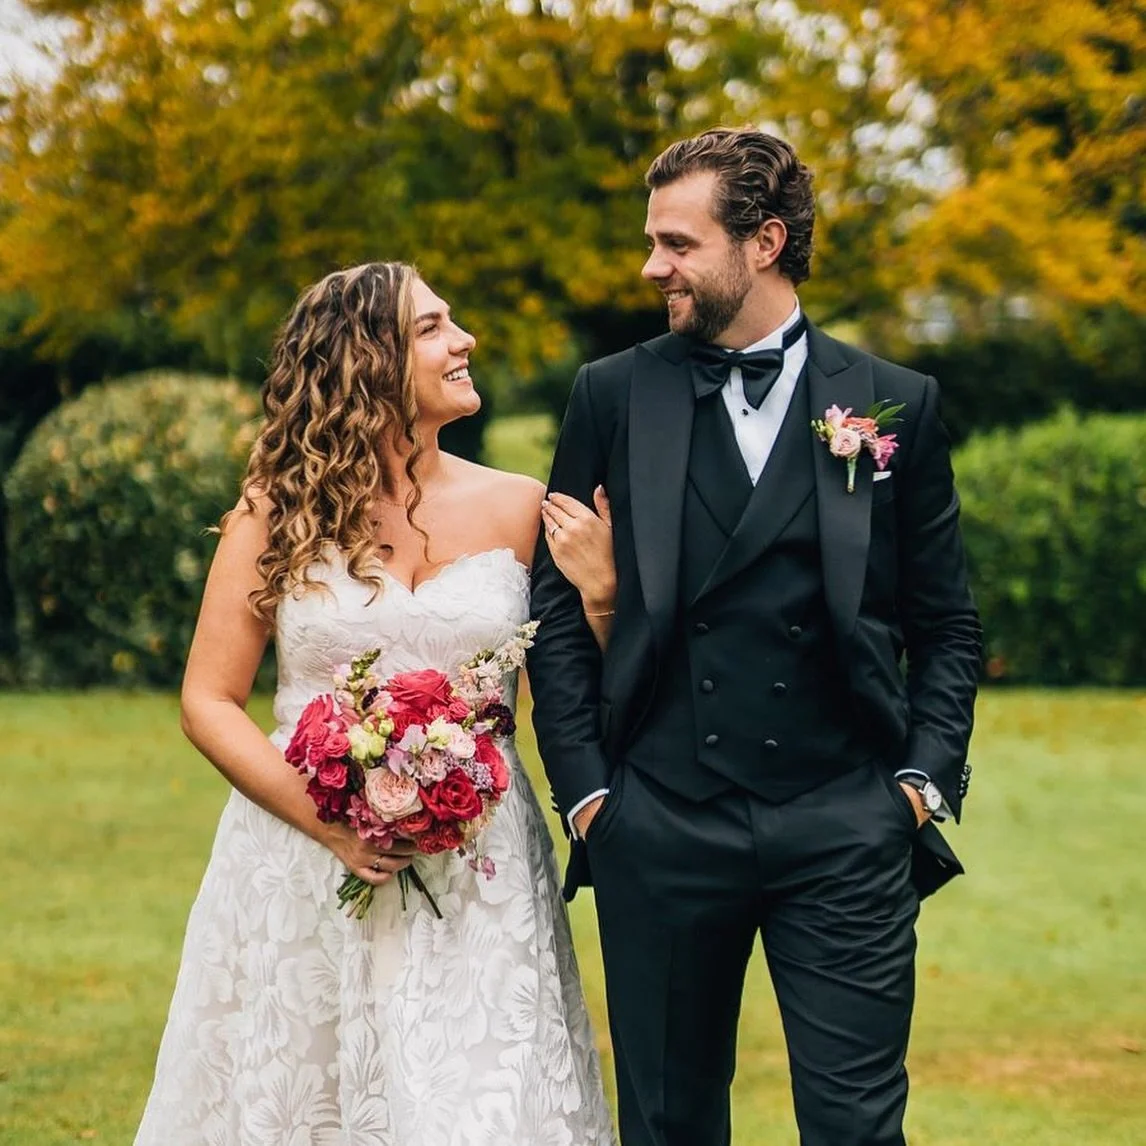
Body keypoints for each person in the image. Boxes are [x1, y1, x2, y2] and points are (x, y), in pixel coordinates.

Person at [527, 128, 982, 1146]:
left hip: (844, 823)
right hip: (661, 821)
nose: (653, 267)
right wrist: (593, 797)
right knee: (668, 1125)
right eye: (653, 242)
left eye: (677, 244)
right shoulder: (611, 393)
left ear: (764, 241)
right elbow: (555, 613)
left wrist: (918, 784)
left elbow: (946, 623)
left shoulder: (890, 403)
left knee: (859, 1129)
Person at [135, 262, 615, 1146]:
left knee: (481, 1109)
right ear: (369, 360)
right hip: (300, 863)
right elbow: (208, 699)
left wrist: (603, 602)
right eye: (433, 326)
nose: (464, 339)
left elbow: (573, 704)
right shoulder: (276, 510)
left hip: (482, 873)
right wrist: (329, 825)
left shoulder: (518, 507)